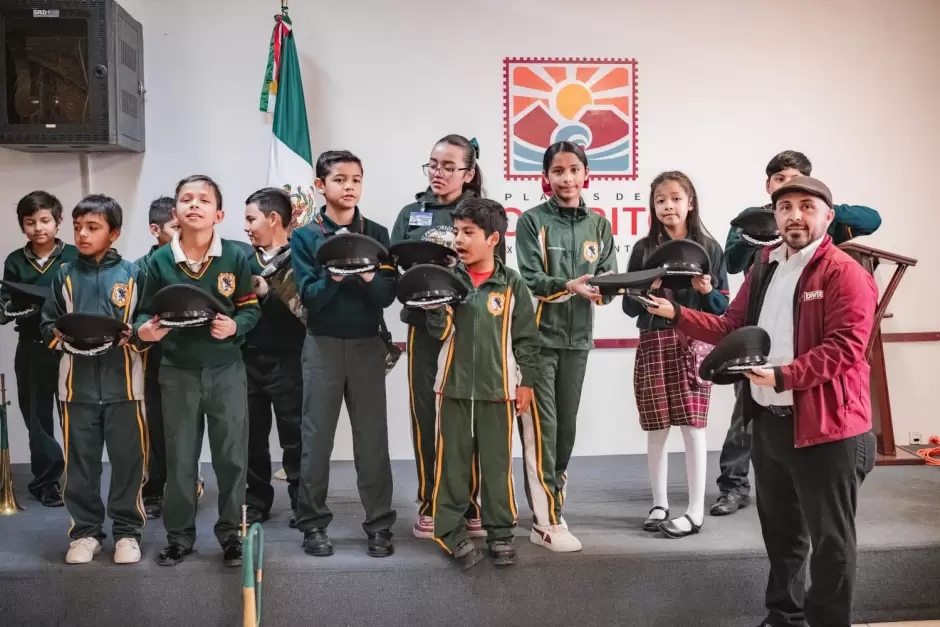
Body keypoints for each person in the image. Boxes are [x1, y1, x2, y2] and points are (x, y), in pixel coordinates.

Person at [645, 175, 878, 627]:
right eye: (785, 206)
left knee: (830, 541)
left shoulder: (845, 272)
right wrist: (676, 313)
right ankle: (783, 617)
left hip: (828, 427)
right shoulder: (765, 265)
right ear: (775, 216)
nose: (795, 215)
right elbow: (731, 325)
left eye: (807, 206)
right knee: (782, 534)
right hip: (770, 423)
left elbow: (845, 348)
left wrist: (780, 375)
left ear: (828, 216)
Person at [713, 150, 882, 517]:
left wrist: (819, 202)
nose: (794, 210)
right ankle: (733, 485)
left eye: (800, 188)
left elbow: (873, 219)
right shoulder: (750, 220)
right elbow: (733, 263)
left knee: (813, 429)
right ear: (768, 187)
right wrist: (761, 227)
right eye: (781, 189)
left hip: (806, 328)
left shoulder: (820, 225)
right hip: (757, 326)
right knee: (748, 416)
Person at [135, 175, 261, 567]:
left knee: (231, 458)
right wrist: (146, 330)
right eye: (186, 200)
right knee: (180, 459)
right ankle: (178, 536)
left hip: (226, 371)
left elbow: (250, 307)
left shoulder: (236, 258)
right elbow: (142, 311)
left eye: (203, 200)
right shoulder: (158, 261)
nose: (194, 205)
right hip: (177, 372)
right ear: (174, 213)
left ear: (218, 214)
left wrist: (236, 325)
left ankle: (232, 536)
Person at [292, 150, 397, 558]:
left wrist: (368, 273)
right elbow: (311, 299)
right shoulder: (305, 236)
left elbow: (387, 296)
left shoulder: (377, 232)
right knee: (316, 439)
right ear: (321, 186)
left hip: (367, 344)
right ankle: (313, 524)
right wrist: (336, 274)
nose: (348, 186)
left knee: (372, 440)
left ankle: (379, 525)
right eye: (339, 179)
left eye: (356, 179)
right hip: (321, 345)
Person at [425, 198, 540, 569]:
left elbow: (527, 339)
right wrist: (435, 308)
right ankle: (450, 530)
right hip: (453, 389)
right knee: (452, 466)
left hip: (499, 391)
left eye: (468, 233)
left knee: (497, 465)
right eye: (456, 232)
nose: (459, 239)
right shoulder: (447, 279)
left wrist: (527, 383)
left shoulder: (511, 284)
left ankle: (501, 532)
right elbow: (439, 332)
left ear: (492, 238)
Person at [514, 141, 617, 551]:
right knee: (544, 431)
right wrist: (568, 287)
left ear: (586, 174)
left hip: (578, 342)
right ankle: (546, 521)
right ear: (547, 178)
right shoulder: (531, 221)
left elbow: (608, 276)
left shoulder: (599, 224)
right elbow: (529, 278)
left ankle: (552, 505)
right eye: (558, 171)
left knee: (566, 432)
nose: (567, 178)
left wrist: (609, 290)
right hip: (539, 340)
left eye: (574, 170)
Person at [390, 134, 489, 540]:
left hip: (468, 332)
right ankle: (430, 502)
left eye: (449, 166)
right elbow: (393, 270)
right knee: (426, 419)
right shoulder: (411, 214)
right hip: (423, 331)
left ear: (467, 173)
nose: (439, 173)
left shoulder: (482, 215)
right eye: (433, 164)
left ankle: (468, 502)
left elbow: (490, 273)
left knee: (467, 418)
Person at [39, 195, 147, 564]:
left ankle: (127, 533)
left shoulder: (133, 274)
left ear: (113, 233)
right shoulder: (63, 275)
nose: (82, 235)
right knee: (80, 464)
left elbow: (147, 321)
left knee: (128, 461)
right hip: (76, 388)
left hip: (126, 387)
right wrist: (62, 338)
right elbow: (47, 323)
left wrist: (137, 334)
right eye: (78, 227)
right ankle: (85, 533)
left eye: (93, 227)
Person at [622, 171, 729, 538]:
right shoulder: (642, 249)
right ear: (653, 206)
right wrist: (644, 288)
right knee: (656, 428)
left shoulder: (710, 248)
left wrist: (706, 288)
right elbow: (629, 310)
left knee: (693, 428)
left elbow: (722, 309)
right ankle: (659, 503)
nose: (668, 206)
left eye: (675, 198)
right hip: (653, 342)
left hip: (695, 344)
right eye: (660, 200)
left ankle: (695, 510)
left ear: (690, 202)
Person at [0, 191, 77, 507]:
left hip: (71, 348)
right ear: (22, 226)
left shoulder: (74, 255)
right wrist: (12, 307)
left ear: (58, 222)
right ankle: (45, 482)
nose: (38, 228)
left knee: (75, 416)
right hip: (32, 347)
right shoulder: (15, 261)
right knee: (38, 417)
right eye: (30, 222)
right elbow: (7, 304)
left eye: (45, 220)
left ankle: (79, 479)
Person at [242, 187, 304, 527]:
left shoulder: (301, 258)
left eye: (251, 219)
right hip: (247, 360)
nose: (247, 227)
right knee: (252, 437)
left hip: (290, 360)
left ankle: (300, 501)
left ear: (274, 218)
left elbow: (307, 310)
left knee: (294, 437)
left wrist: (271, 294)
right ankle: (255, 501)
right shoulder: (240, 261)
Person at [135, 196, 178, 519]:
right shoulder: (138, 268)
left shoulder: (193, 261)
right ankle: (154, 488)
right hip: (153, 360)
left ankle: (184, 483)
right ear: (155, 230)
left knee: (182, 430)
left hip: (188, 359)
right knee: (155, 430)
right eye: (175, 227)